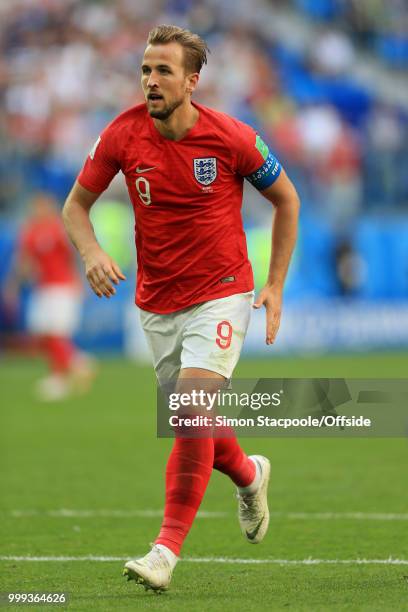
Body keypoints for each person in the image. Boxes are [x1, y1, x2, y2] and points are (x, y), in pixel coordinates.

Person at [62, 25, 300, 592]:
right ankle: (249, 474)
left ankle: (165, 551)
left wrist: (275, 285)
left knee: (191, 412)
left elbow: (287, 200)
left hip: (221, 292)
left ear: (192, 81)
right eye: (146, 69)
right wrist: (91, 250)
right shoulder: (122, 134)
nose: (150, 80)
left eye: (163, 71)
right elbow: (76, 206)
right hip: (157, 302)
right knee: (193, 419)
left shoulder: (232, 137)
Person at [5, 192, 95, 401]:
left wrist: (80, 281)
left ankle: (60, 378)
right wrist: (13, 286)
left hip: (61, 287)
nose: (38, 210)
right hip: (42, 288)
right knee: (42, 334)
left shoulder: (58, 229)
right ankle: (78, 361)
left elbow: (73, 256)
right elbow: (23, 261)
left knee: (56, 333)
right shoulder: (30, 231)